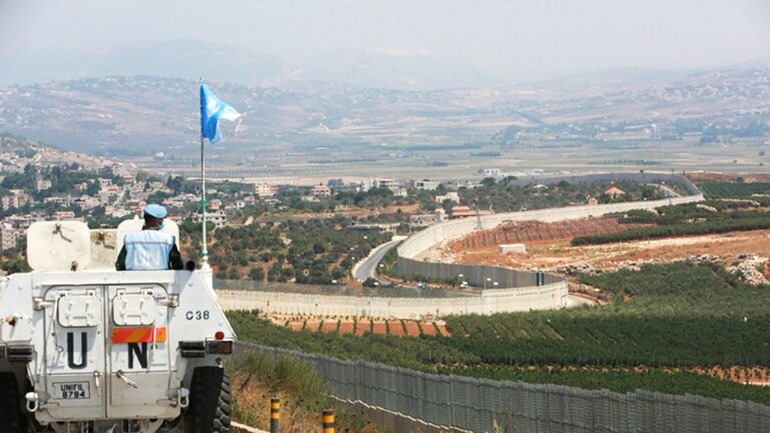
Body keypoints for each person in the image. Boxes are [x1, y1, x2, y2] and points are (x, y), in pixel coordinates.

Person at [116, 204, 184, 271]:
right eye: (161, 219)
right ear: (156, 220)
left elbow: (120, 264)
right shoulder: (168, 240)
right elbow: (177, 264)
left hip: (134, 280)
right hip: (160, 280)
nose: (162, 221)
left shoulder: (130, 239)